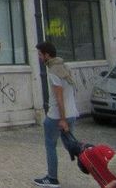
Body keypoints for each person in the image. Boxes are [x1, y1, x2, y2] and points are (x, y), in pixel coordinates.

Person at [34, 41, 77, 188]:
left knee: (50, 145)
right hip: (72, 113)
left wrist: (62, 119)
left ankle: (52, 178)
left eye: (40, 54)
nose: (39, 57)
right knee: (71, 144)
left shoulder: (53, 71)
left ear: (47, 54)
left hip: (57, 116)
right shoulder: (65, 66)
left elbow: (59, 97)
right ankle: (90, 161)